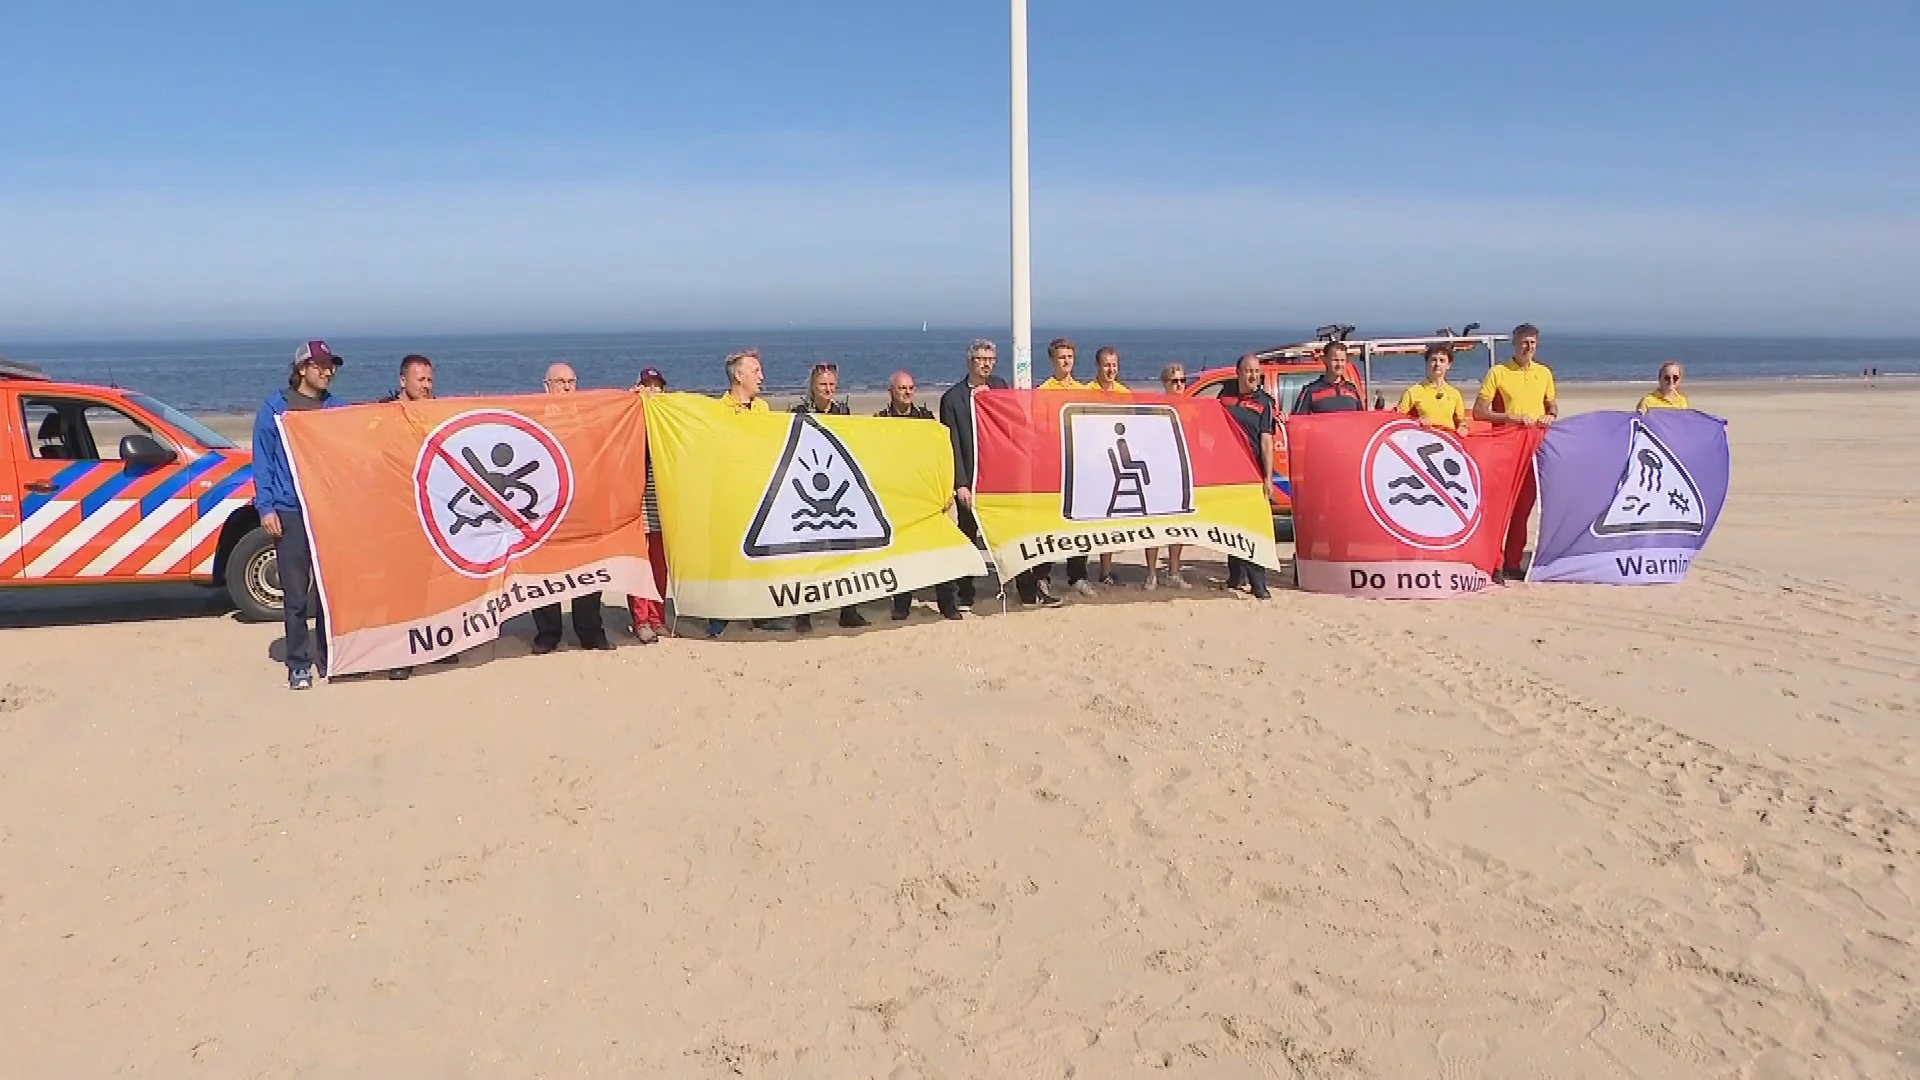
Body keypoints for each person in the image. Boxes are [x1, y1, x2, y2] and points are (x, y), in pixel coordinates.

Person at [252, 340, 349, 690]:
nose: (328, 371)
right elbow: (262, 461)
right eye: (320, 365)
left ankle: (328, 655)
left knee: (328, 592)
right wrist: (266, 507)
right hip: (290, 510)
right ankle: (298, 662)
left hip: (326, 511)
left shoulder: (337, 409)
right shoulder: (275, 408)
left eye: (331, 365)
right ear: (301, 369)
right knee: (295, 594)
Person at [939, 339, 1051, 608]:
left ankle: (1026, 591)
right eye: (981, 359)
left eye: (990, 359)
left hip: (1001, 478)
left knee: (1012, 534)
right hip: (972, 479)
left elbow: (1014, 428)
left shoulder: (1001, 388)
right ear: (970, 361)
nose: (986, 363)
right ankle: (965, 593)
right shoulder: (952, 399)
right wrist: (960, 484)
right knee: (968, 536)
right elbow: (952, 444)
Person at [381, 353, 461, 678]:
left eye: (430, 380)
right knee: (401, 585)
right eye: (420, 380)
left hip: (432, 511)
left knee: (434, 583)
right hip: (396, 511)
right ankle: (401, 654)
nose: (427, 386)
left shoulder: (436, 412)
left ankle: (435, 645)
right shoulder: (383, 413)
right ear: (403, 381)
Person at [529, 362, 613, 653]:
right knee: (544, 570)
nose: (566, 387)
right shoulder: (534, 419)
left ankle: (590, 631)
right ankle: (548, 632)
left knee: (588, 570)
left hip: (583, 506)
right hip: (546, 509)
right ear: (546, 386)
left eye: (571, 381)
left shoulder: (588, 417)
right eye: (560, 382)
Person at [708, 349, 790, 636]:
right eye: (756, 371)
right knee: (725, 558)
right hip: (728, 496)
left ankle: (762, 613)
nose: (762, 377)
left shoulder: (763, 409)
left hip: (760, 494)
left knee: (762, 555)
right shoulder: (716, 411)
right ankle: (719, 616)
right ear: (739, 375)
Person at [1473, 323, 1557, 580]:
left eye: (1532, 343)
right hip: (1505, 448)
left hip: (1533, 448)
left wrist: (1549, 417)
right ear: (1514, 343)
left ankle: (1512, 563)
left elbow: (1552, 407)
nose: (1528, 347)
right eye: (1524, 342)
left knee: (1523, 510)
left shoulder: (1543, 373)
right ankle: (1494, 563)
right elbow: (1479, 411)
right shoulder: (1498, 372)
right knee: (1501, 508)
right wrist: (1510, 417)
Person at [790, 363, 867, 632]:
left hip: (839, 489)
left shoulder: (843, 413)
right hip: (808, 489)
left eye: (832, 385)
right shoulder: (799, 413)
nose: (829, 390)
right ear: (813, 385)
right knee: (807, 555)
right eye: (823, 385)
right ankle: (803, 614)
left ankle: (849, 610)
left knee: (846, 553)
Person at [873, 371, 953, 620]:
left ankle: (947, 603)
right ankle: (901, 605)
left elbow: (940, 454)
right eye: (901, 388)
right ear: (891, 391)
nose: (907, 392)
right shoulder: (880, 421)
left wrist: (946, 489)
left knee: (940, 552)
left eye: (911, 388)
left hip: (927, 497)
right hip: (899, 498)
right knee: (902, 554)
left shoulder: (926, 419)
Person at [1031, 338, 1087, 599]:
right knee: (1050, 522)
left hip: (1079, 462)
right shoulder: (1044, 391)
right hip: (1053, 464)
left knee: (1080, 521)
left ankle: (1077, 574)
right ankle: (1042, 575)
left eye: (1070, 357)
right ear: (1053, 360)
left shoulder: (1082, 389)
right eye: (1061, 357)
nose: (1066, 361)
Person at [1217, 353, 1275, 600]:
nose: (1253, 376)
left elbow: (1266, 443)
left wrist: (1268, 478)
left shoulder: (1265, 403)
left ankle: (1258, 584)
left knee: (1253, 528)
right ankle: (1235, 576)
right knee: (1232, 526)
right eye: (1249, 371)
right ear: (1238, 372)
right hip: (1229, 473)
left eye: (1256, 372)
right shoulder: (1224, 397)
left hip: (1253, 473)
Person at [626, 366, 671, 644]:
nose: (653, 391)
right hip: (637, 502)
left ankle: (658, 617)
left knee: (659, 564)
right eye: (648, 385)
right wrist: (630, 400)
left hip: (662, 502)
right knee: (638, 564)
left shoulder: (668, 418)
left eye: (657, 386)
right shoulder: (630, 416)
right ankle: (640, 619)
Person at [1141, 362, 1191, 590]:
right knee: (1155, 525)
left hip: (1180, 475)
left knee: (1177, 526)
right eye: (1175, 381)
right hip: (1157, 475)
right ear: (1165, 384)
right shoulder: (1155, 408)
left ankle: (1174, 571)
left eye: (1182, 381)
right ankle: (1151, 573)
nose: (1179, 385)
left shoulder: (1192, 408)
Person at [1087, 346, 1132, 585]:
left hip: (1116, 463)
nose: (1111, 369)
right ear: (1098, 367)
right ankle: (1081, 571)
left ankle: (1106, 570)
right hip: (1093, 463)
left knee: (1112, 520)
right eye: (1106, 365)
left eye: (1114, 365)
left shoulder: (1125, 393)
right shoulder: (1086, 392)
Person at [1397, 343, 1470, 433]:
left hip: (1448, 441)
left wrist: (1463, 428)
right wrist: (1416, 421)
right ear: (1427, 363)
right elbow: (1398, 421)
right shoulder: (1413, 392)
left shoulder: (1455, 393)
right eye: (1433, 360)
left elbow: (1461, 422)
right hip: (1424, 440)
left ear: (1448, 365)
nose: (1437, 364)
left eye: (1442, 360)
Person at [1291, 341, 1366, 415]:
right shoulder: (1310, 391)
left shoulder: (1352, 389)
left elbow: (1362, 419)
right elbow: (1297, 421)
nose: (1339, 364)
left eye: (1342, 360)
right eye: (1335, 360)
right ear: (1324, 360)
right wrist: (1283, 418)